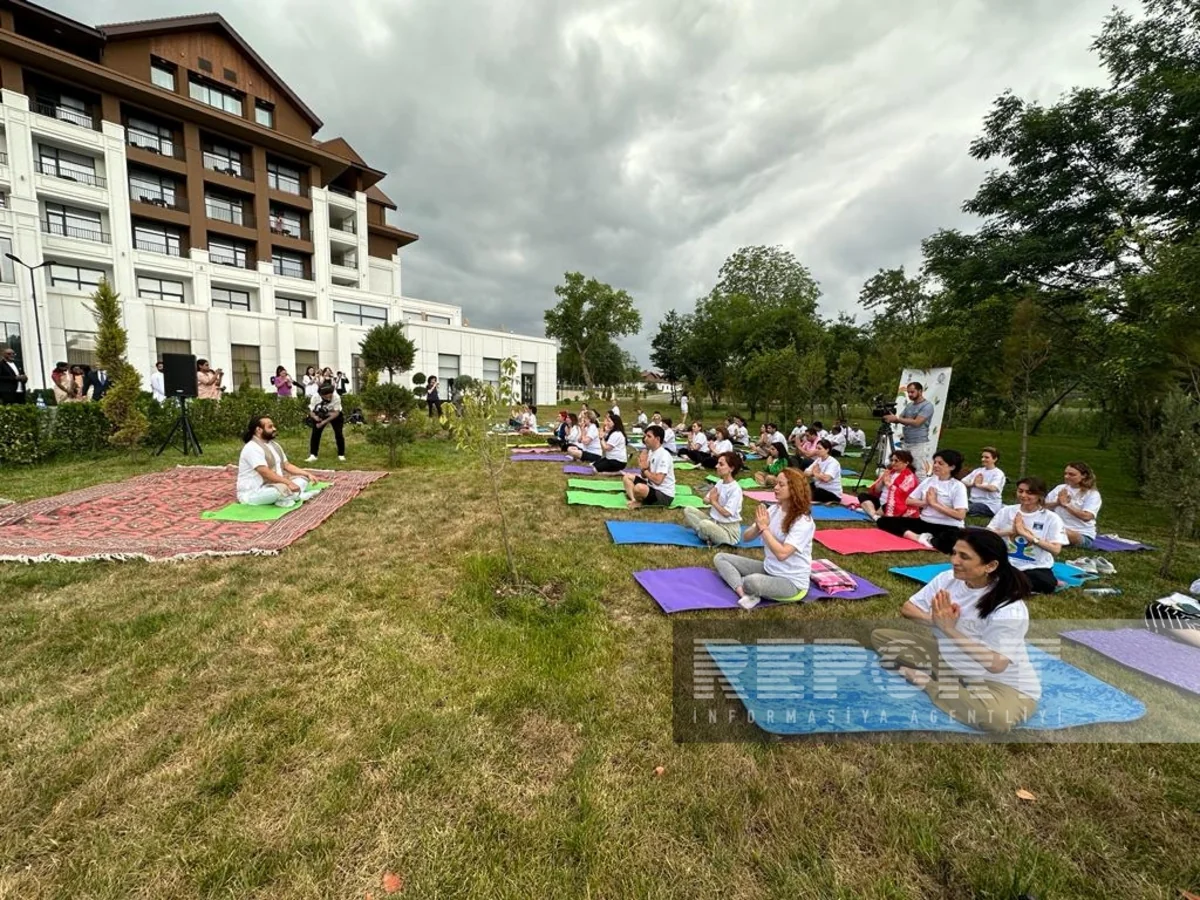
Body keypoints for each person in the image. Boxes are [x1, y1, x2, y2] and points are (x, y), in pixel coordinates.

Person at [870, 529, 1040, 733]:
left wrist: (949, 629)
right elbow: (908, 608)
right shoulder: (947, 579)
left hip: (1000, 683)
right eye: (954, 553)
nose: (954, 561)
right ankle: (954, 683)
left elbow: (996, 664)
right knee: (881, 637)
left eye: (964, 557)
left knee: (995, 719)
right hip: (951, 661)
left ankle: (927, 682)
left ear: (990, 565)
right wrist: (934, 620)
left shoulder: (1009, 608)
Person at [714, 469, 815, 610]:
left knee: (751, 581)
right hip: (769, 569)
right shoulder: (774, 509)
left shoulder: (803, 522)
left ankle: (748, 588)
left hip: (792, 583)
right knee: (720, 558)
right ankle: (744, 593)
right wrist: (758, 527)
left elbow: (782, 554)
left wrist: (764, 528)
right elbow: (746, 537)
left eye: (781, 485)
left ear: (794, 489)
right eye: (776, 484)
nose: (776, 487)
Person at [877, 449, 968, 552]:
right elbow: (908, 501)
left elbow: (960, 515)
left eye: (940, 463)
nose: (935, 465)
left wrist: (934, 504)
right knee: (883, 521)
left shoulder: (958, 486)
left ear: (952, 467)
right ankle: (918, 537)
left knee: (951, 542)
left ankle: (931, 539)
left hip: (947, 526)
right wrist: (925, 502)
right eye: (935, 462)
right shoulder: (929, 481)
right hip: (924, 522)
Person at [987, 477, 1066, 595]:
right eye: (1020, 491)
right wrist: (1010, 531)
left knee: (1046, 584)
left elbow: (1055, 549)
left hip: (1034, 567)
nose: (1023, 495)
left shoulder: (1051, 518)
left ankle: (1009, 583)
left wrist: (1026, 535)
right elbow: (987, 535)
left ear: (1040, 495)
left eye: (1029, 493)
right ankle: (1012, 583)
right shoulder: (1006, 511)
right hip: (1005, 563)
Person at [237, 415, 321, 507]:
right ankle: (296, 496)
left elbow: (287, 465)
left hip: (275, 485)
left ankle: (289, 497)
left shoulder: (274, 445)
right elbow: (265, 472)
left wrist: (307, 474)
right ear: (258, 430)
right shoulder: (252, 447)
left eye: (273, 426)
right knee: (279, 491)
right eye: (270, 427)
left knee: (303, 480)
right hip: (254, 492)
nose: (274, 429)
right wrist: (288, 483)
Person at [684, 451, 745, 546]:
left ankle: (705, 533)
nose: (716, 466)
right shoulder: (720, 483)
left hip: (729, 532)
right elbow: (705, 500)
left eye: (721, 464)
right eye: (717, 463)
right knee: (688, 510)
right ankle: (706, 534)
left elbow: (727, 513)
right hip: (713, 521)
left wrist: (713, 501)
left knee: (704, 524)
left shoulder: (735, 489)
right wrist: (710, 500)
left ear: (731, 468)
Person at [883, 381, 936, 476]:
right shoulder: (909, 405)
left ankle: (920, 490)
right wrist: (890, 417)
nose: (910, 395)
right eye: (908, 392)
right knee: (904, 467)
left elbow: (917, 422)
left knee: (919, 469)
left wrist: (898, 419)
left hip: (918, 442)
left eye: (912, 392)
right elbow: (900, 419)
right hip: (906, 441)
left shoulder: (927, 406)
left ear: (920, 391)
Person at [1046, 462, 1102, 548]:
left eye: (1071, 474)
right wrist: (1057, 503)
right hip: (1056, 527)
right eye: (1065, 474)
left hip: (1080, 534)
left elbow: (1087, 517)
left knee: (1059, 532)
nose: (1066, 477)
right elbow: (1041, 507)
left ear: (1084, 475)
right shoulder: (1060, 488)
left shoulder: (1092, 494)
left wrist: (1066, 505)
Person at [858, 450, 921, 523]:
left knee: (887, 506)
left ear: (906, 463)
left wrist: (888, 484)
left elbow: (901, 495)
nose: (893, 463)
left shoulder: (910, 478)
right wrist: (882, 480)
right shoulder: (890, 472)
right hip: (882, 502)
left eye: (896, 461)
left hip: (895, 505)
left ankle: (872, 512)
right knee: (862, 495)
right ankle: (875, 516)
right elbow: (877, 491)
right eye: (892, 460)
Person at [623, 424, 676, 509]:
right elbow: (645, 476)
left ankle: (639, 501)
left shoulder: (663, 455)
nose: (645, 439)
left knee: (639, 488)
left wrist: (644, 470)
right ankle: (634, 500)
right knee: (627, 477)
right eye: (645, 436)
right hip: (651, 486)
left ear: (657, 439)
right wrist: (643, 467)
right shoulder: (651, 452)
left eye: (649, 436)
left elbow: (658, 480)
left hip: (664, 495)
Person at [306, 382, 346, 462]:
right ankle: (313, 455)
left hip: (335, 414)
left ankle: (341, 454)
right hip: (319, 414)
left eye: (330, 396)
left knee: (338, 433)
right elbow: (311, 411)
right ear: (322, 395)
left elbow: (336, 413)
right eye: (327, 397)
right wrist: (315, 417)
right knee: (315, 433)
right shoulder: (315, 397)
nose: (329, 398)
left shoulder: (336, 397)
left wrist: (323, 423)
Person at [962, 447, 1006, 518]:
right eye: (982, 457)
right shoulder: (978, 471)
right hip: (972, 500)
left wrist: (978, 485)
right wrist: (972, 484)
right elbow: (963, 481)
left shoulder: (998, 473)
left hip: (988, 504)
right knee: (956, 504)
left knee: (964, 509)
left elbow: (993, 488)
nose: (983, 459)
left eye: (986, 457)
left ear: (995, 459)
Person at [807, 438, 843, 504]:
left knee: (814, 494)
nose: (816, 450)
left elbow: (826, 478)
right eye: (816, 448)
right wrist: (813, 472)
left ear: (827, 450)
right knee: (802, 488)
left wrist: (815, 473)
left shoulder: (833, 463)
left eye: (819, 448)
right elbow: (806, 473)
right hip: (818, 487)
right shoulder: (818, 460)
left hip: (831, 492)